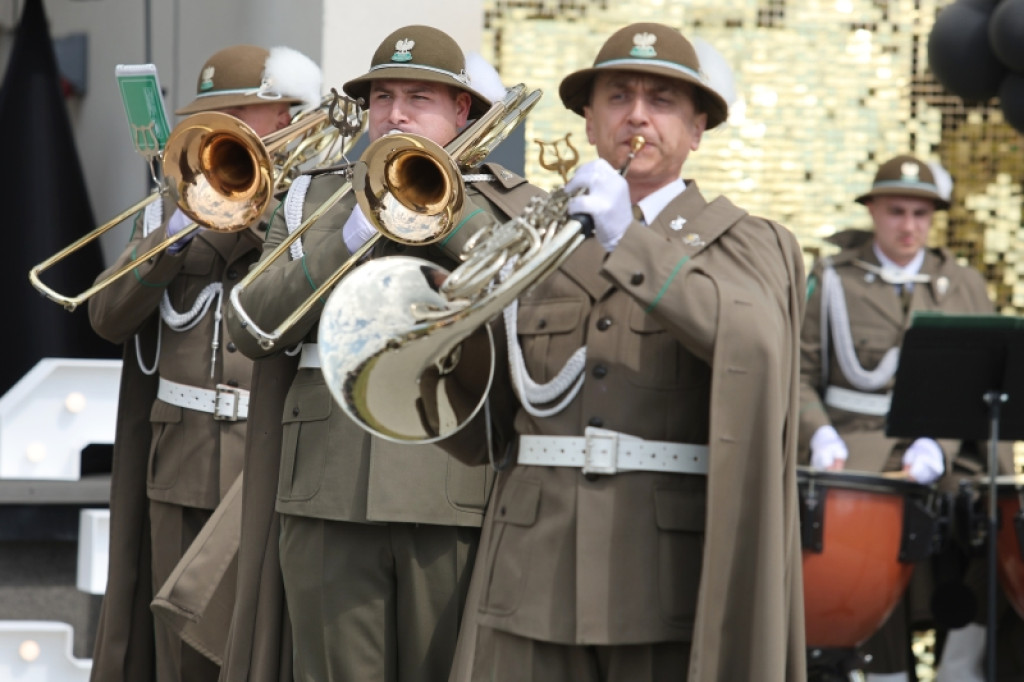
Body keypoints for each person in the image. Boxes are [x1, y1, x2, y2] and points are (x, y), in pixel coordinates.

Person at [445, 21, 807, 682]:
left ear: (698, 129)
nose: (637, 114)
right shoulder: (533, 243)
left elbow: (757, 348)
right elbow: (490, 428)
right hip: (533, 573)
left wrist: (627, 241)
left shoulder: (751, 243)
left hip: (662, 583)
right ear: (588, 122)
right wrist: (446, 337)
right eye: (617, 97)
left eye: (661, 100)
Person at [224, 25, 542, 682]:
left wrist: (444, 220)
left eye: (419, 98)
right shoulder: (314, 194)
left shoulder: (511, 202)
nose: (395, 114)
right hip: (326, 488)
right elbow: (254, 328)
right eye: (382, 97)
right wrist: (355, 228)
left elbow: (533, 324)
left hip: (448, 486)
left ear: (461, 112)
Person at [87, 44, 321, 682]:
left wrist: (254, 209)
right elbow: (107, 318)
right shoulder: (172, 203)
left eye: (249, 117)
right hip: (180, 463)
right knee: (178, 650)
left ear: (288, 118)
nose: (233, 133)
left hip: (266, 467)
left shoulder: (315, 205)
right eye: (220, 119)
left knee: (260, 648)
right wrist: (167, 241)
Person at [798, 154, 1014, 681]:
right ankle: (881, 669)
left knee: (990, 518)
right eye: (896, 211)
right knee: (867, 536)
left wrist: (937, 446)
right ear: (872, 210)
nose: (909, 226)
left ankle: (965, 662)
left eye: (922, 214)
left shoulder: (959, 282)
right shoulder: (831, 279)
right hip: (859, 441)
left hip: (948, 440)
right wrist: (818, 433)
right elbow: (795, 373)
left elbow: (984, 377)